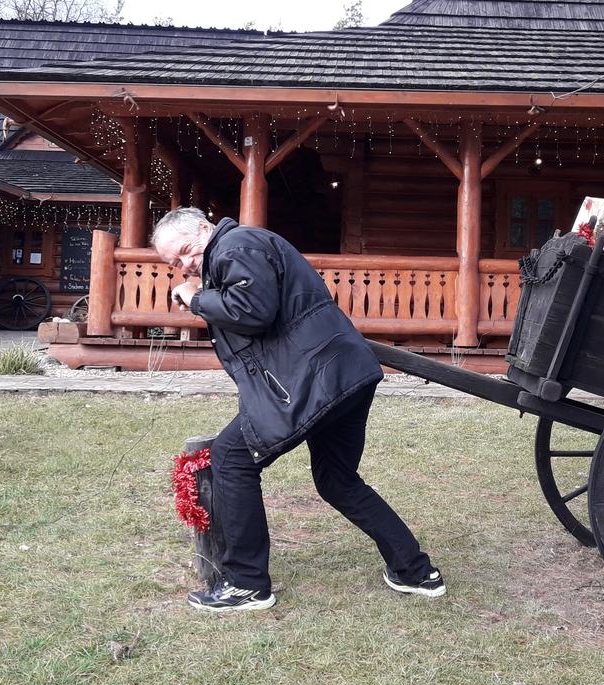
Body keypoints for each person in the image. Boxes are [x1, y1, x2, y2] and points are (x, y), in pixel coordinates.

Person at [152, 207, 444, 611]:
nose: (184, 265)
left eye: (185, 251)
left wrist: (197, 297)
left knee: (231, 458)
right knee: (337, 480)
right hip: (344, 376)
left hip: (311, 382)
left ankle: (246, 584)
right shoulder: (239, 249)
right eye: (175, 263)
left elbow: (252, 311)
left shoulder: (235, 245)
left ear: (204, 228)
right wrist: (206, 291)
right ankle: (416, 572)